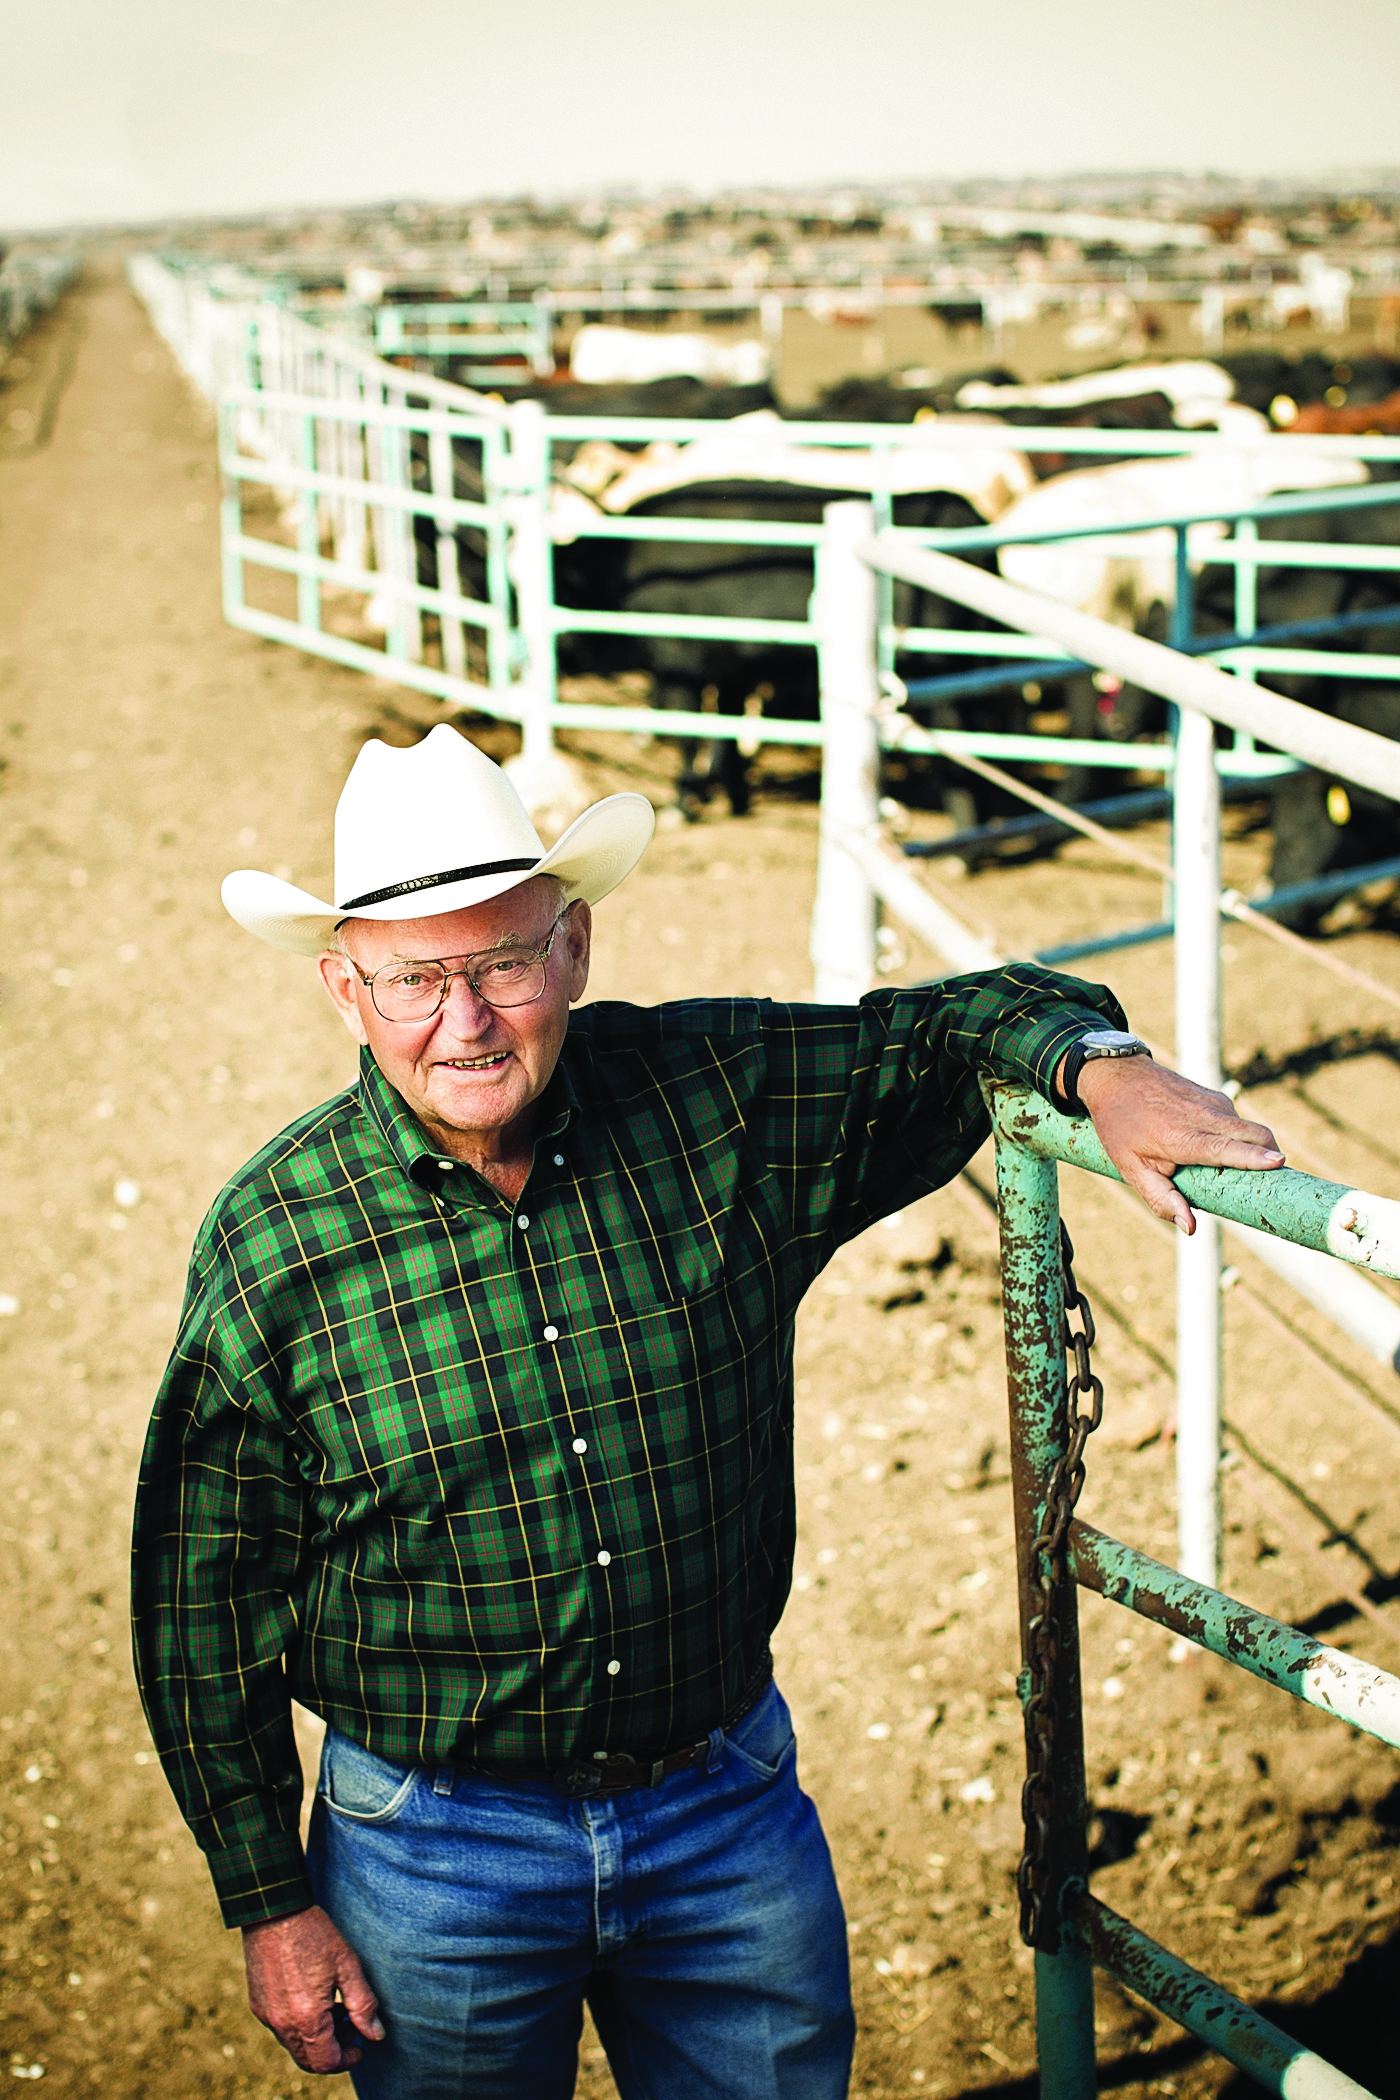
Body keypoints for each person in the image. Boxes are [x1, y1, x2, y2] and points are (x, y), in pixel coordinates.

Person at [131, 725, 1283, 2099]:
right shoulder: (279, 1242)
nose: (465, 1021)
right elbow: (201, 1597)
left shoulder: (711, 1102)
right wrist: (271, 1896)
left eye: (502, 962)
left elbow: (958, 1022)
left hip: (721, 1803)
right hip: (433, 1846)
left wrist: (1093, 1065)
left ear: (572, 950)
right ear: (343, 986)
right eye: (414, 979)